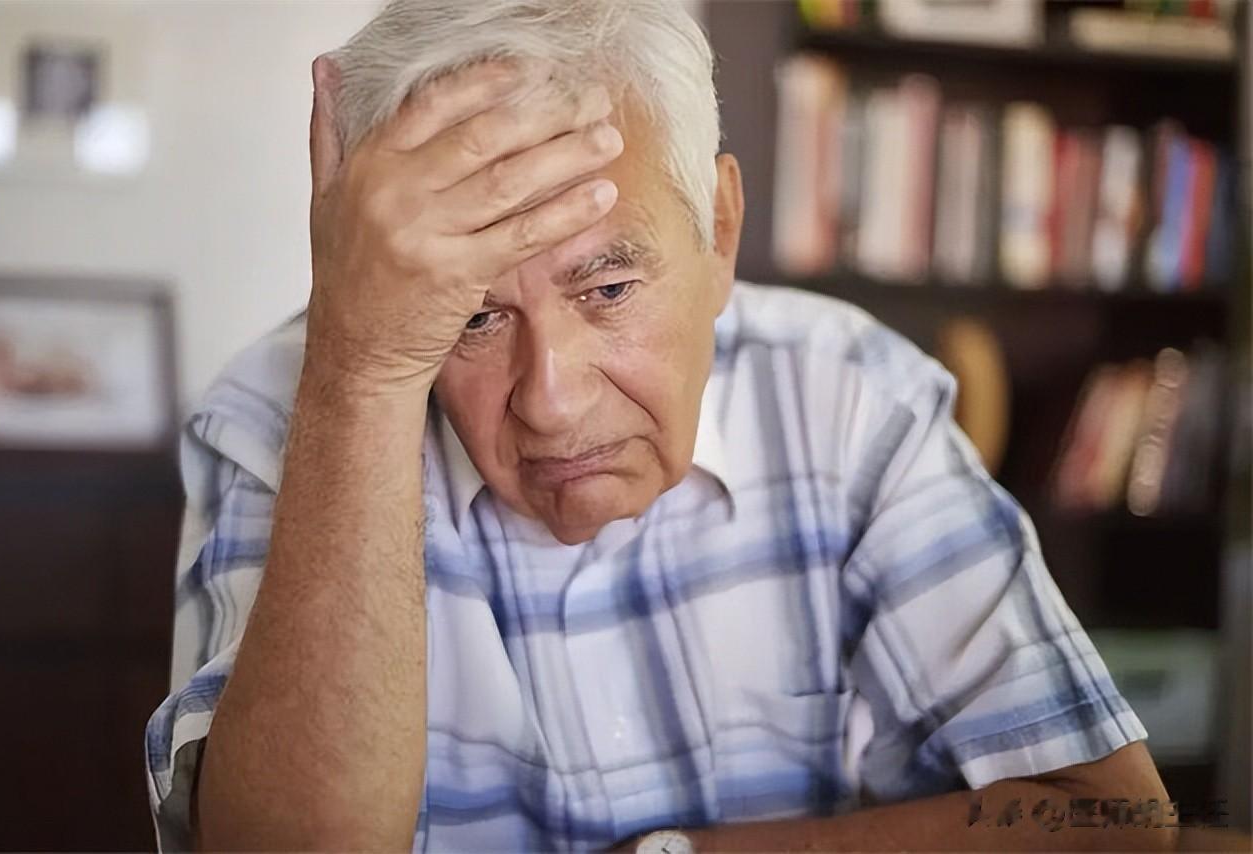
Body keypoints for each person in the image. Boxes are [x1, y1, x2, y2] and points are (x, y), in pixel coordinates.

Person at [145, 1, 1171, 850]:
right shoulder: (293, 407)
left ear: (718, 229)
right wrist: (365, 370)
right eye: (470, 316)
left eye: (608, 289)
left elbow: (1113, 820)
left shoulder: (849, 392)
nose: (549, 397)